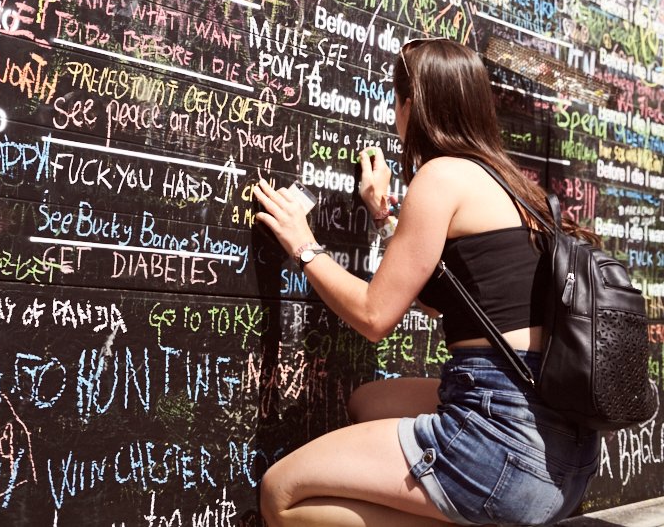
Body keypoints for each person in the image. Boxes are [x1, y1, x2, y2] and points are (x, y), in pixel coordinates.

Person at [253, 37, 599, 527]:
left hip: (502, 446)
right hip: (564, 457)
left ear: (411, 104)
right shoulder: (519, 188)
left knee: (280, 493)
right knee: (368, 402)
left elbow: (375, 316)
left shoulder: (439, 177)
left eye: (396, 100)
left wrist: (303, 245)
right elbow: (456, 300)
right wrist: (383, 220)